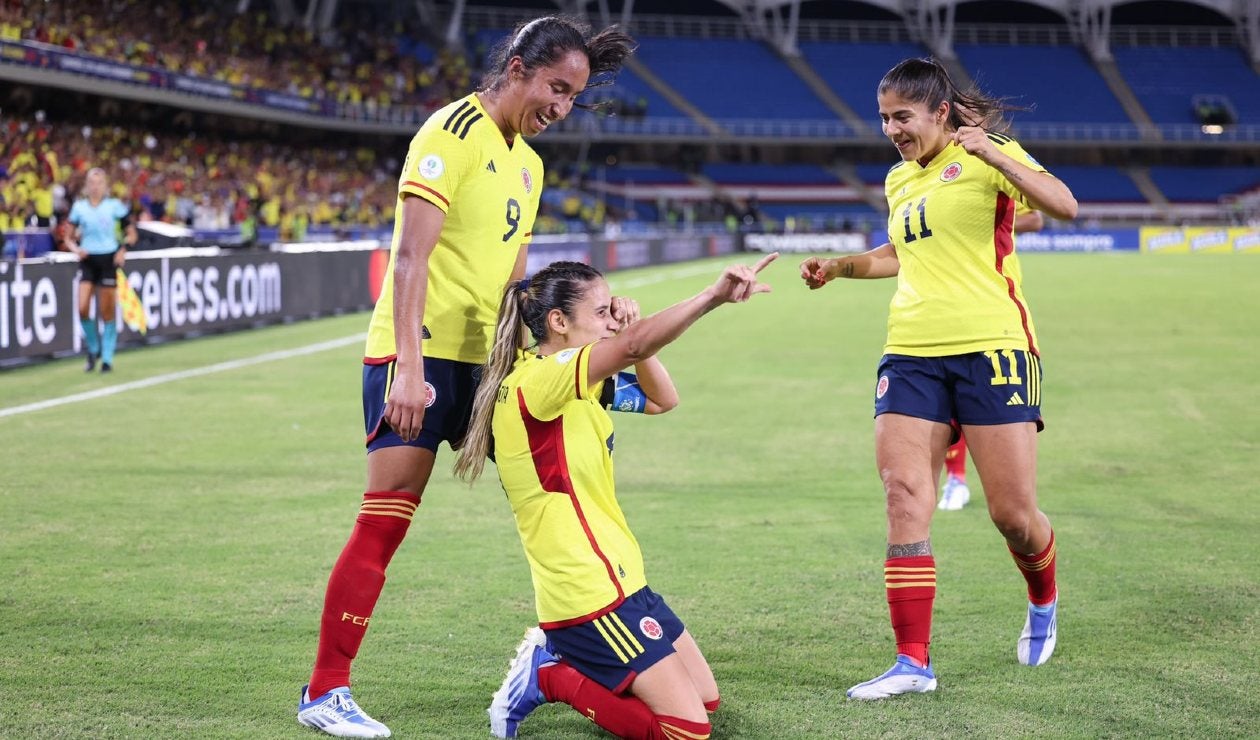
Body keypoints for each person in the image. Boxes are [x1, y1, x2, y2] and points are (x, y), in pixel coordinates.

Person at [296, 17, 636, 739]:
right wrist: (408, 369)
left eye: (573, 97)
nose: (561, 107)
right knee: (386, 518)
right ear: (517, 68)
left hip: (487, 365)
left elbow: (516, 286)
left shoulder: (530, 165)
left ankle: (561, 649)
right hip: (420, 358)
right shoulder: (450, 133)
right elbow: (410, 259)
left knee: (552, 500)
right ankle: (325, 690)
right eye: (555, 88)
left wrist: (545, 356)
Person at [799, 57, 1077, 699]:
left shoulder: (987, 153)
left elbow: (1063, 206)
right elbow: (900, 254)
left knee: (1013, 516)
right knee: (903, 495)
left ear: (940, 112)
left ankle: (1042, 597)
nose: (892, 130)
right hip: (911, 351)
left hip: (993, 349)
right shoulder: (899, 179)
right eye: (884, 119)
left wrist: (994, 153)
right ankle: (912, 662)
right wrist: (841, 267)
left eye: (902, 116)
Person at [452, 255, 775, 739]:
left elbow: (663, 399)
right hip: (586, 593)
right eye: (601, 312)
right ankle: (549, 676)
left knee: (707, 700)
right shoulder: (543, 380)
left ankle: (573, 669)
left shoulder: (579, 381)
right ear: (558, 322)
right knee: (686, 730)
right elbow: (633, 346)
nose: (612, 320)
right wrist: (711, 297)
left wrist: (627, 332)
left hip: (624, 579)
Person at [936, 204, 1043, 511]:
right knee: (945, 402)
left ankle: (1011, 497)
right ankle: (955, 479)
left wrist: (975, 222)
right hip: (936, 305)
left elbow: (1035, 218)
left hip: (988, 309)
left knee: (981, 407)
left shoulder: (990, 177)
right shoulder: (911, 181)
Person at [64, 167, 137, 373]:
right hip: (88, 259)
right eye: (92, 183)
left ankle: (107, 358)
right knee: (82, 308)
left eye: (99, 183)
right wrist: (76, 249)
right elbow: (67, 237)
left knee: (107, 311)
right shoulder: (79, 208)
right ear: (86, 186)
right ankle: (93, 347)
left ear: (105, 186)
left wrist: (123, 250)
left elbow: (132, 233)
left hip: (108, 259)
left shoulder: (114, 206)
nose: (95, 187)